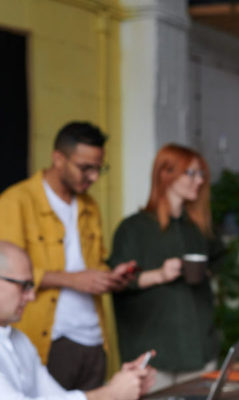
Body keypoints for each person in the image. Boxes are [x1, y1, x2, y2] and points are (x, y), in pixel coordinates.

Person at [0, 121, 137, 390]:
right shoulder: (15, 202)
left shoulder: (90, 206)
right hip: (50, 338)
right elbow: (8, 272)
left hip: (94, 338)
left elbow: (92, 264)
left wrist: (110, 278)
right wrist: (72, 280)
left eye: (99, 168)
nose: (94, 177)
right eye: (86, 168)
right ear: (58, 159)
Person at [108, 144, 222, 392]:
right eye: (191, 173)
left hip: (200, 348)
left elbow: (217, 262)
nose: (199, 180)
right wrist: (160, 274)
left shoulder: (198, 229)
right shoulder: (133, 228)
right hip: (154, 355)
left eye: (201, 174)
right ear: (165, 174)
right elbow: (116, 281)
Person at [0, 240, 156, 400]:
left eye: (31, 286)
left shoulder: (20, 341)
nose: (31, 296)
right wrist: (109, 395)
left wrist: (124, 387)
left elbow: (57, 396)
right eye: (24, 285)